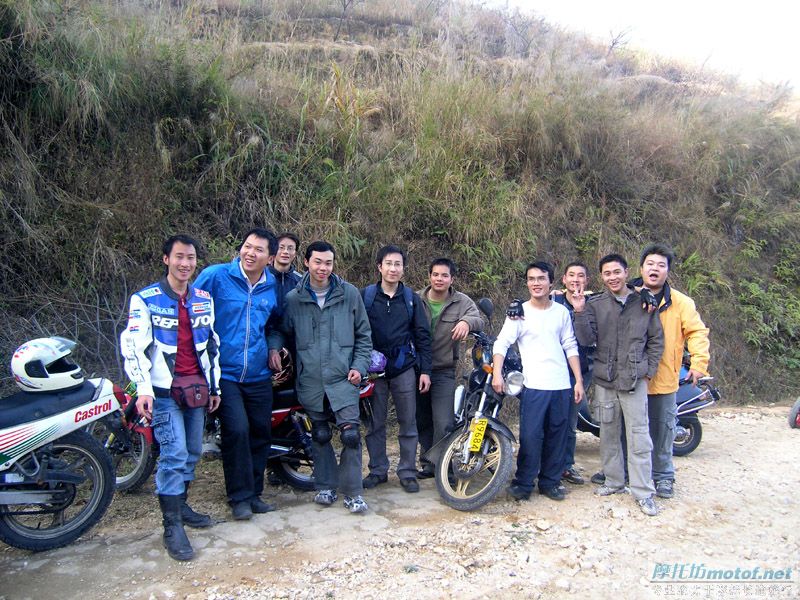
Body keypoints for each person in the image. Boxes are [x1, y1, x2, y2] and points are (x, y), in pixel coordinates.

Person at [120, 234, 221, 561]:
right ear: (166, 259)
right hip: (162, 393)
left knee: (192, 451)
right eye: (179, 257)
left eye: (190, 258)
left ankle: (181, 505)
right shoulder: (145, 299)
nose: (185, 263)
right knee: (174, 453)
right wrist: (143, 390)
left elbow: (212, 346)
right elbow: (133, 348)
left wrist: (215, 387)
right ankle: (171, 526)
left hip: (196, 390)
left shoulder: (204, 298)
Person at [273, 241, 373, 513]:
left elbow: (364, 335)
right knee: (318, 434)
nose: (323, 268)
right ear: (306, 262)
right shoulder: (295, 299)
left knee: (351, 435)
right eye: (317, 262)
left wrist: (359, 366)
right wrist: (274, 347)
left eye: (328, 263)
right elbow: (280, 330)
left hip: (344, 379)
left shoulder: (349, 294)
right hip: (311, 381)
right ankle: (326, 487)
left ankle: (353, 492)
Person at [193, 228, 283, 521]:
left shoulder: (272, 287)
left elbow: (275, 325)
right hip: (225, 373)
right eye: (247, 246)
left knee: (260, 432)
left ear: (270, 258)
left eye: (259, 250)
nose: (250, 253)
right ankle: (239, 497)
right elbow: (192, 313)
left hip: (258, 373)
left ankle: (254, 493)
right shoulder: (216, 277)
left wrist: (272, 348)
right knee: (237, 431)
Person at [571, 253, 664, 516]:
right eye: (607, 273)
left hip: (634, 379)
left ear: (626, 272)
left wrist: (649, 370)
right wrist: (579, 311)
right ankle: (613, 481)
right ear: (602, 277)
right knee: (609, 434)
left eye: (616, 272)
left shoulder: (644, 303)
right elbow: (587, 339)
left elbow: (656, 340)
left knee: (638, 436)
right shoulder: (597, 304)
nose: (612, 277)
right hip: (605, 379)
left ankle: (643, 491)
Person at [492, 261, 585, 502]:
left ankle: (550, 483)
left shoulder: (562, 312)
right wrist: (497, 373)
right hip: (533, 386)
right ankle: (523, 483)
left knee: (557, 435)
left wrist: (578, 380)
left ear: (551, 283)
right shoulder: (518, 313)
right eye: (532, 279)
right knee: (531, 436)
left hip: (561, 385)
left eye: (541, 278)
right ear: (527, 283)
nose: (536, 283)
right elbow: (502, 343)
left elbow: (570, 345)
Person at [635, 243, 710, 499]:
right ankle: (624, 472)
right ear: (641, 268)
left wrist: (699, 363)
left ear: (667, 271)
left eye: (661, 265)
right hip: (630, 379)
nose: (654, 269)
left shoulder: (681, 303)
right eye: (650, 264)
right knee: (628, 428)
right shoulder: (628, 294)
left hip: (664, 378)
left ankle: (663, 477)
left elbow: (697, 332)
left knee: (663, 430)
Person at [361, 245, 432, 493]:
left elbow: (423, 336)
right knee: (375, 422)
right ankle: (378, 470)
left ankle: (407, 471)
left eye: (398, 264)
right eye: (388, 263)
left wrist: (425, 371)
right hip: (374, 370)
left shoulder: (411, 299)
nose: (393, 268)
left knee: (407, 421)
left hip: (404, 367)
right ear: (379, 266)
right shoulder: (366, 297)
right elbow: (357, 332)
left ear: (403, 269)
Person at [416, 258, 484, 478]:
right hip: (416, 369)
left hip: (444, 370)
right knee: (421, 418)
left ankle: (442, 466)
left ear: (451, 279)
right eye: (435, 274)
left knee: (443, 421)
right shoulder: (416, 299)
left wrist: (466, 322)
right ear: (429, 276)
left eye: (444, 275)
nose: (439, 279)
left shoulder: (461, 301)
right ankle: (428, 463)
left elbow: (478, 318)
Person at [269, 232, 303, 311]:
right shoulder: (261, 278)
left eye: (290, 248)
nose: (285, 252)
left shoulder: (301, 281)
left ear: (295, 254)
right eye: (281, 247)